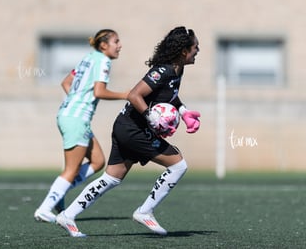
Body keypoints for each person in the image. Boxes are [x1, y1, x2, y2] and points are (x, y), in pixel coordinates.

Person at [55, 26, 201, 237]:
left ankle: (67, 215)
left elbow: (171, 95)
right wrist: (152, 116)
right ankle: (145, 211)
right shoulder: (163, 70)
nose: (198, 51)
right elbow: (134, 95)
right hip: (133, 129)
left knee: (112, 178)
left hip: (127, 126)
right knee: (178, 165)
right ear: (183, 51)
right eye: (196, 47)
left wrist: (184, 111)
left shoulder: (178, 70)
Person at [34, 29, 129, 223]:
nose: (120, 45)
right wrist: (125, 95)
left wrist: (75, 101)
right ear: (104, 45)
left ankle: (59, 195)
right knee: (72, 169)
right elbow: (100, 91)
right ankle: (45, 209)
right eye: (116, 41)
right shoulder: (103, 60)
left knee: (98, 161)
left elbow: (65, 82)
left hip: (70, 115)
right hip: (76, 118)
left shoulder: (88, 58)